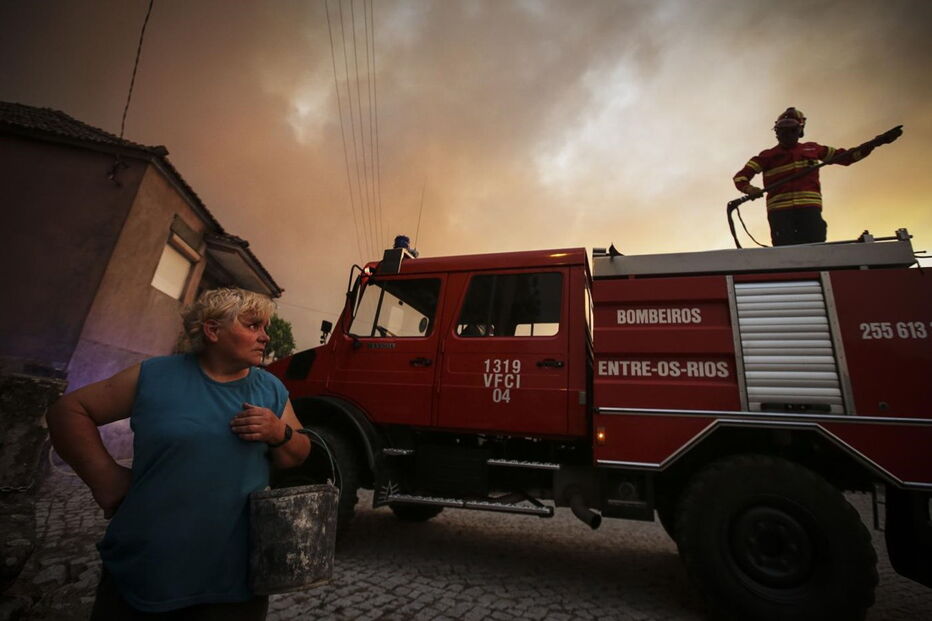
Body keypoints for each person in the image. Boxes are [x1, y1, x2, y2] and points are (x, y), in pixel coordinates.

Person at [46, 288, 311, 620]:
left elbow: (297, 454)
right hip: (146, 568)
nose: (265, 337)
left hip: (233, 583)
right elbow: (68, 411)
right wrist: (106, 478)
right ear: (213, 330)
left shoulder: (270, 388)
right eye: (253, 325)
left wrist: (279, 433)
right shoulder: (154, 376)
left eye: (265, 328)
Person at [733, 107, 902, 246]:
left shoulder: (813, 149)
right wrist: (750, 189)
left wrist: (875, 143)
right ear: (777, 132)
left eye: (791, 130)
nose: (787, 135)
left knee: (815, 248)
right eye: (783, 131)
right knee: (785, 252)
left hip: (809, 209)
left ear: (800, 131)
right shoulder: (767, 156)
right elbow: (740, 177)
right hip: (780, 212)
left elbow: (848, 157)